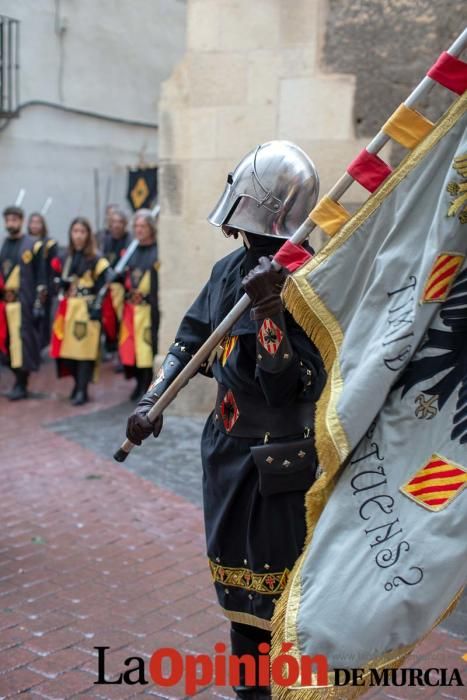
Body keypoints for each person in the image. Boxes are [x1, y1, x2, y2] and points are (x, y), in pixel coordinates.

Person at [125, 141, 326, 698]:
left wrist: (268, 309)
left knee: (279, 602)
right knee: (238, 605)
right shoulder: (226, 270)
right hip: (226, 457)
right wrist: (153, 401)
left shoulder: (311, 279)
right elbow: (190, 340)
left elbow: (287, 384)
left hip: (278, 463)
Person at [50, 217, 110, 405]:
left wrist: (97, 307)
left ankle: (82, 390)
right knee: (69, 354)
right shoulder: (66, 257)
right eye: (75, 231)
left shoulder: (96, 258)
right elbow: (57, 277)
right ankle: (76, 385)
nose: (78, 235)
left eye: (82, 232)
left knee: (84, 354)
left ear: (88, 234)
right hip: (68, 310)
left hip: (86, 310)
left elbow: (106, 282)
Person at [0, 205, 46, 400]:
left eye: (14, 219)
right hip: (5, 304)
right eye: (8, 220)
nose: (11, 223)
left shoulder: (32, 245)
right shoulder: (5, 244)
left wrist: (38, 303)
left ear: (21, 220)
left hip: (23, 304)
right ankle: (17, 380)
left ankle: (21, 383)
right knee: (8, 344)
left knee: (22, 345)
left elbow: (41, 277)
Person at [118, 208, 159, 400]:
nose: (139, 230)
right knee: (131, 349)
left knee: (146, 348)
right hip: (130, 309)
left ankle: (146, 384)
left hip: (147, 310)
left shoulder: (157, 251)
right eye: (136, 226)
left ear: (151, 228)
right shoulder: (131, 251)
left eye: (143, 226)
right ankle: (136, 383)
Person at [99, 209, 132, 357]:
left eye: (120, 222)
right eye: (114, 222)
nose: (117, 225)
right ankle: (109, 347)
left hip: (123, 288)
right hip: (107, 287)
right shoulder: (105, 241)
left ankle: (121, 353)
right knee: (107, 320)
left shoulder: (130, 241)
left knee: (123, 322)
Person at [27, 212, 60, 350]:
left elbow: (54, 266)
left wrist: (50, 285)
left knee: (44, 316)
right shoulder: (25, 243)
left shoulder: (49, 244)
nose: (35, 225)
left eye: (38, 222)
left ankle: (42, 344)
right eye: (32, 222)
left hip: (45, 282)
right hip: (29, 284)